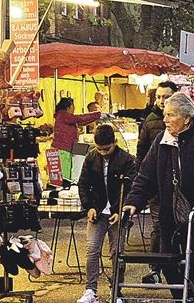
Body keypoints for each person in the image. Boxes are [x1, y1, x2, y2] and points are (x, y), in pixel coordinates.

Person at [123, 92, 194, 303]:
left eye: (171, 115)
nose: (165, 120)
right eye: (164, 114)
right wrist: (133, 202)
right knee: (172, 271)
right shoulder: (162, 140)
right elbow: (145, 177)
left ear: (187, 118)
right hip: (172, 223)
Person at [76, 125, 136, 303]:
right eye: (99, 149)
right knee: (92, 250)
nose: (102, 152)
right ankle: (90, 290)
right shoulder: (91, 156)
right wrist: (89, 207)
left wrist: (121, 210)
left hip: (118, 212)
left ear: (114, 143)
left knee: (117, 253)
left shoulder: (126, 159)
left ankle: (116, 290)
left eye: (106, 149)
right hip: (97, 211)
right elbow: (83, 184)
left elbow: (132, 188)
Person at [137, 81, 178, 284]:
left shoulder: (183, 120)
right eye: (159, 97)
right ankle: (156, 268)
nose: (161, 101)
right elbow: (141, 153)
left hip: (177, 187)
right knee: (158, 225)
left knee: (174, 225)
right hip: (156, 186)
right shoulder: (150, 120)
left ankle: (175, 263)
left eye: (166, 97)